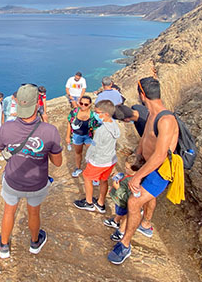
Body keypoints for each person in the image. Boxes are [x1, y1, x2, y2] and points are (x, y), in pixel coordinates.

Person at [108, 77, 179, 265]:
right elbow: (145, 140)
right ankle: (145, 225)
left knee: (133, 202)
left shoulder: (166, 120)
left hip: (160, 171)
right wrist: (136, 158)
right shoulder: (151, 114)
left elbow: (160, 155)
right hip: (147, 165)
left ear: (142, 94)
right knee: (146, 197)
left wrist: (137, 177)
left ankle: (125, 244)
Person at [0, 84, 63, 259]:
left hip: (12, 181)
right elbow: (58, 163)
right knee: (34, 212)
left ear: (17, 104)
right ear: (37, 105)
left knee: (9, 211)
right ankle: (34, 243)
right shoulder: (50, 131)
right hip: (37, 183)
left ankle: (4, 245)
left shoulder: (6, 128)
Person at [74, 100, 120, 213]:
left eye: (98, 112)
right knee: (103, 180)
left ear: (106, 114)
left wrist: (88, 158)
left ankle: (89, 202)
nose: (96, 114)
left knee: (87, 177)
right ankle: (101, 203)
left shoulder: (101, 131)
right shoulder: (114, 125)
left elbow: (95, 147)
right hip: (110, 159)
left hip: (99, 160)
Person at [104, 154, 137, 242]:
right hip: (119, 201)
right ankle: (115, 221)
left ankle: (121, 231)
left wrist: (118, 188)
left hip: (123, 202)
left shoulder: (133, 182)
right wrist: (119, 175)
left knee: (124, 216)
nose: (125, 169)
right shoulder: (127, 175)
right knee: (119, 212)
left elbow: (127, 198)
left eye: (127, 168)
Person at [66, 95, 100, 178]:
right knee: (78, 153)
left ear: (90, 105)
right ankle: (77, 168)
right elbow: (69, 123)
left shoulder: (93, 115)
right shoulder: (74, 112)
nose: (83, 106)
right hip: (77, 136)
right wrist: (67, 136)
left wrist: (96, 140)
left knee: (91, 154)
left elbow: (95, 127)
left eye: (86, 104)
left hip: (88, 136)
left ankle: (91, 171)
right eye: (81, 103)